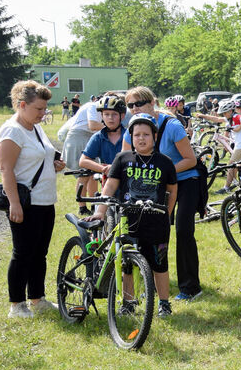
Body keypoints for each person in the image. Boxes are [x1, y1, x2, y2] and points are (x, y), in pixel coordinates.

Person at [120, 87, 202, 302]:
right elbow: (126, 158)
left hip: (185, 181)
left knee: (183, 230)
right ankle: (149, 282)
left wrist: (162, 172)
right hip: (153, 184)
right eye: (130, 105)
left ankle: (190, 287)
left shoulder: (171, 124)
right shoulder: (132, 128)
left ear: (153, 103)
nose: (135, 108)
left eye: (140, 103)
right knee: (146, 231)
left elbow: (190, 159)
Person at [92, 114, 178, 318]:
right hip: (127, 219)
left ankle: (164, 303)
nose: (141, 138)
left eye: (146, 134)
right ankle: (128, 302)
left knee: (159, 263)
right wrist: (100, 211)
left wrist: (167, 213)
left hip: (156, 221)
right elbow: (110, 185)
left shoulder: (165, 162)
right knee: (127, 263)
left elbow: (172, 190)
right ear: (130, 137)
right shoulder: (122, 159)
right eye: (137, 134)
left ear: (154, 136)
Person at [0, 80, 65, 318]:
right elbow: (6, 169)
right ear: (22, 105)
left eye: (45, 109)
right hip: (26, 203)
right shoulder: (12, 130)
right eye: (39, 109)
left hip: (45, 201)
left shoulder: (34, 126)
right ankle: (16, 305)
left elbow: (40, 155)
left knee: (40, 253)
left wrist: (54, 164)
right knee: (23, 252)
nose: (43, 113)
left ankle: (37, 299)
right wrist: (14, 203)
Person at [62, 91, 110, 214]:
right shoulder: (92, 106)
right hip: (80, 137)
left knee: (93, 174)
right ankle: (82, 207)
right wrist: (112, 127)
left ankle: (93, 204)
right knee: (84, 174)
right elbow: (93, 125)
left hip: (86, 136)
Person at [79, 95, 127, 180]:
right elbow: (83, 161)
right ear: (102, 116)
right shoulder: (98, 137)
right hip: (108, 181)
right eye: (106, 114)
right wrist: (104, 169)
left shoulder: (130, 136)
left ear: (122, 116)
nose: (110, 118)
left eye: (114, 114)